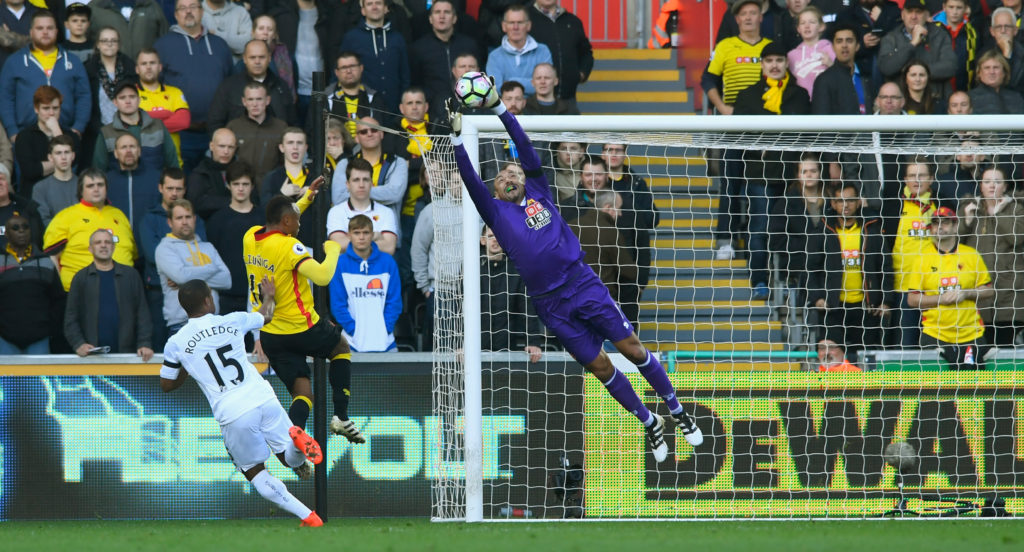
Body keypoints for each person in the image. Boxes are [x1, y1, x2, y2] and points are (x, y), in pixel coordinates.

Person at [447, 80, 704, 463]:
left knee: (630, 348)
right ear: (496, 192)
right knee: (600, 367)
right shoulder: (495, 214)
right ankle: (649, 420)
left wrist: (500, 107)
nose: (509, 178)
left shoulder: (539, 191)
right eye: (501, 178)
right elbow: (470, 178)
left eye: (513, 173)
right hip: (551, 304)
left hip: (582, 282)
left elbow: (525, 147)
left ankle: (677, 409)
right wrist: (455, 140)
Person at [159, 278, 325, 527]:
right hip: (262, 396)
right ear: (207, 300)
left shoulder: (177, 343)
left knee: (254, 470)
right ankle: (296, 439)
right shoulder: (232, 320)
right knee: (290, 458)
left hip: (233, 411)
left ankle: (308, 516)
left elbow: (167, 385)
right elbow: (265, 317)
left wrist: (187, 364)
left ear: (185, 307)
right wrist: (269, 296)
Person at [243, 177, 365, 444]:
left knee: (302, 391)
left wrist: (307, 198)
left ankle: (295, 435)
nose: (299, 224)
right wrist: (332, 250)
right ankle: (342, 417)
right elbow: (322, 276)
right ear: (286, 223)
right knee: (341, 348)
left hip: (271, 333)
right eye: (296, 221)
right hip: (303, 326)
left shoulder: (250, 237)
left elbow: (286, 214)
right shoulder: (289, 246)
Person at [731, 40, 810, 299]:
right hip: (760, 173)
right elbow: (739, 134)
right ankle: (760, 281)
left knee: (792, 228)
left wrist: (769, 140)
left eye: (779, 60)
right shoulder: (748, 96)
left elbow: (803, 133)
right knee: (760, 228)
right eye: (769, 61)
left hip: (791, 173)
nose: (774, 65)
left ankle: (790, 281)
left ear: (787, 63)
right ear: (762, 65)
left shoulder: (799, 95)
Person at [807, 182, 893, 361]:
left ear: (859, 202)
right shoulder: (824, 231)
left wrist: (885, 301)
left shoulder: (871, 230)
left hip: (866, 308)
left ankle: (866, 390)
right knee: (832, 358)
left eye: (850, 200)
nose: (845, 205)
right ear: (833, 204)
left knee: (866, 359)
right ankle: (831, 389)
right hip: (834, 308)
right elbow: (811, 268)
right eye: (840, 200)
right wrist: (817, 298)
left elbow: (885, 267)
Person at [906, 206, 994, 369]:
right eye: (935, 223)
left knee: (973, 388)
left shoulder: (971, 254)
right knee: (937, 389)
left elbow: (988, 289)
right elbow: (912, 299)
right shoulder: (921, 259)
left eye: (945, 223)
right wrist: (941, 299)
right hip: (934, 334)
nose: (939, 227)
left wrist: (966, 293)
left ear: (955, 226)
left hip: (971, 333)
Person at [154, 0, 233, 173]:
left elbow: (230, 86)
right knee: (181, 185)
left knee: (214, 187)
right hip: (180, 133)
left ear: (202, 11)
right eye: (182, 8)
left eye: (193, 7)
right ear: (175, 15)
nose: (188, 12)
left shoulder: (220, 45)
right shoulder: (162, 46)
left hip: (215, 132)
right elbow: (154, 87)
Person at [957, 165, 1024, 347]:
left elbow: (1017, 237)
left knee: (1004, 348)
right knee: (978, 349)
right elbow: (953, 243)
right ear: (980, 185)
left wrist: (997, 214)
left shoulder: (1017, 208)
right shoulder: (969, 208)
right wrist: (966, 221)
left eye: (997, 182)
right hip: (976, 291)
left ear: (1005, 186)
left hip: (1009, 292)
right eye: (987, 181)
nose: (992, 186)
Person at [139, 168, 204, 350]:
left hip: (190, 293)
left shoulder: (194, 221)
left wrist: (181, 275)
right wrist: (178, 272)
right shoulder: (149, 219)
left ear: (185, 190)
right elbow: (152, 255)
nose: (174, 193)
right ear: (161, 188)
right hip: (157, 292)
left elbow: (203, 256)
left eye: (179, 189)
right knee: (161, 346)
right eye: (170, 188)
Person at [64, 228, 153, 360]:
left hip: (128, 355)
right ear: (90, 249)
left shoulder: (131, 275)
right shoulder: (81, 277)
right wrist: (79, 344)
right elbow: (71, 318)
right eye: (98, 242)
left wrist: (145, 343)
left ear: (113, 247)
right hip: (91, 355)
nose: (103, 245)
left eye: (107, 242)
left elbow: (142, 313)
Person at [0, 11, 91, 139]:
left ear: (57, 31)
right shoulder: (15, 61)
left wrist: (78, 128)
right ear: (31, 32)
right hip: (25, 135)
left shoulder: (72, 61)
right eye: (40, 28)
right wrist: (13, 132)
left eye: (50, 28)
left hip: (66, 135)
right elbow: (5, 98)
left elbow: (84, 96)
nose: (45, 32)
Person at [43, 168, 137, 291]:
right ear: (81, 191)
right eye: (90, 186)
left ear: (106, 188)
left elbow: (132, 253)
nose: (96, 189)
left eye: (100, 185)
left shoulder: (119, 215)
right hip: (81, 291)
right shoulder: (65, 217)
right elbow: (52, 257)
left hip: (123, 289)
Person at [156, 199, 231, 333]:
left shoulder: (208, 247)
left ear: (194, 219)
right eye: (179, 218)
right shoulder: (165, 249)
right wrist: (212, 268)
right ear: (169, 222)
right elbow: (181, 277)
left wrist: (188, 279)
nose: (184, 221)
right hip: (182, 324)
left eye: (188, 217)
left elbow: (226, 280)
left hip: (213, 323)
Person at [329, 214, 402, 352]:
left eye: (366, 233)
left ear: (372, 235)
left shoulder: (388, 262)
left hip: (386, 342)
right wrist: (354, 330)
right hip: (352, 342)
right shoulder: (340, 263)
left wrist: (384, 328)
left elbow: (394, 302)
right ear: (349, 235)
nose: (361, 237)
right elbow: (338, 304)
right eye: (357, 233)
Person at [206, 160, 265, 316]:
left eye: (245, 184)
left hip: (259, 294)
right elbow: (210, 257)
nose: (240, 188)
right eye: (236, 183)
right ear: (228, 185)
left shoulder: (264, 218)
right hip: (226, 295)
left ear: (252, 186)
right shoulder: (217, 219)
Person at [330, 116, 408, 232]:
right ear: (356, 138)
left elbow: (395, 193)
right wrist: (378, 192)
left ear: (381, 134)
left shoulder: (398, 162)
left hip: (386, 234)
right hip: (351, 234)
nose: (369, 134)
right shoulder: (344, 164)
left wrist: (357, 191)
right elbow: (338, 197)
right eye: (363, 132)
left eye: (374, 130)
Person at [0, 212, 63, 354]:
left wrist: (49, 329)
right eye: (15, 228)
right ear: (6, 234)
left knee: (40, 377)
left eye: (25, 227)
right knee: (6, 377)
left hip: (39, 339)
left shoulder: (46, 262)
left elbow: (58, 300)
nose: (21, 230)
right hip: (4, 339)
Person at [480, 225, 544, 360]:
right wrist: (461, 343)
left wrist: (533, 342)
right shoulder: (471, 268)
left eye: (499, 236)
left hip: (506, 347)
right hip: (475, 347)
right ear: (483, 241)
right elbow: (460, 309)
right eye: (491, 236)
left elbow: (527, 307)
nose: (495, 240)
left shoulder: (516, 270)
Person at [410, 0, 482, 120]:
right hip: (432, 111)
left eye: (447, 12)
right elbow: (416, 82)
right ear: (430, 19)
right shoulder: (418, 48)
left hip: (468, 108)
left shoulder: (469, 45)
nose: (442, 16)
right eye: (437, 12)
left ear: (454, 18)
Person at [207, 39, 297, 131]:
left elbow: (292, 123)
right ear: (244, 59)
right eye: (252, 57)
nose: (257, 62)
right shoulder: (228, 86)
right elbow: (215, 123)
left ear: (269, 58)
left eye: (262, 57)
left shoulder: (281, 86)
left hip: (275, 143)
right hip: (238, 144)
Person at [93, 79, 179, 171]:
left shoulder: (158, 126)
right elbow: (98, 172)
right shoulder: (106, 132)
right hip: (120, 185)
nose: (128, 101)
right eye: (122, 98)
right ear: (115, 102)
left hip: (154, 184)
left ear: (139, 99)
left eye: (132, 97)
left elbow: (173, 164)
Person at [338, 0, 410, 112]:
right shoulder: (351, 38)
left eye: (378, 3)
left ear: (386, 9)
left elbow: (405, 74)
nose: (374, 7)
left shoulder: (397, 38)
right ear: (363, 10)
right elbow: (341, 72)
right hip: (364, 108)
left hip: (395, 107)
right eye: (369, 4)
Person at [702, 0, 770, 116]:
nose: (748, 18)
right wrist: (722, 108)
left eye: (753, 13)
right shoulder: (724, 46)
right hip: (734, 113)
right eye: (743, 14)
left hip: (766, 112)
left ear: (760, 17)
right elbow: (708, 79)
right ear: (737, 19)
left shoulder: (771, 47)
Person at [13, 85, 81, 198]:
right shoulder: (25, 136)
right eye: (46, 108)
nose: (51, 113)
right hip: (34, 198)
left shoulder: (71, 135)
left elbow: (72, 163)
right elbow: (30, 171)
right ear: (36, 109)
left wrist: (57, 132)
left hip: (65, 195)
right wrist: (62, 163)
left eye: (55, 108)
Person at [877, 0, 956, 96]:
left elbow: (950, 67)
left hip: (935, 98)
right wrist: (912, 43)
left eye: (918, 12)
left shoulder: (940, 35)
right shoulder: (890, 38)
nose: (913, 16)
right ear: (902, 15)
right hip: (902, 101)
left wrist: (916, 71)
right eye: (909, 11)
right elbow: (886, 67)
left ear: (927, 15)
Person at [82, 26, 136, 160]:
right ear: (98, 45)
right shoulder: (88, 69)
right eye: (105, 41)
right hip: (97, 132)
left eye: (113, 40)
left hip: (127, 131)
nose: (109, 44)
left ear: (119, 44)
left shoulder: (130, 68)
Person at [326, 157, 398, 254]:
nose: (361, 185)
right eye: (356, 180)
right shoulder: (336, 212)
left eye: (365, 179)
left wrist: (351, 238)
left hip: (377, 268)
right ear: (347, 184)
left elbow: (389, 248)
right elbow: (339, 245)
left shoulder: (386, 212)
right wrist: (375, 237)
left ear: (372, 184)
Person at [527, 0, 592, 102]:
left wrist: (580, 74)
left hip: (568, 98)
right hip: (534, 103)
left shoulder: (573, 21)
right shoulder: (525, 20)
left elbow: (586, 53)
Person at [135, 48, 191, 164]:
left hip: (173, 164)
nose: (149, 67)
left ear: (160, 67)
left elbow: (183, 121)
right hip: (143, 164)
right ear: (137, 69)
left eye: (152, 63)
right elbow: (134, 124)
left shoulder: (175, 92)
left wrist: (149, 120)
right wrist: (167, 114)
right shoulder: (130, 94)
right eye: (144, 64)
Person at [485, 5, 552, 96]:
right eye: (511, 23)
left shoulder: (542, 51)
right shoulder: (494, 56)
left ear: (528, 25)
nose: (515, 27)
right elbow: (496, 91)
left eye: (520, 22)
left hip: (537, 108)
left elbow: (546, 86)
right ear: (504, 26)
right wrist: (532, 83)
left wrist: (511, 81)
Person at [227, 82, 287, 184]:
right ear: (244, 101)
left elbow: (286, 162)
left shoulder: (281, 127)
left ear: (267, 100)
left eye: (259, 99)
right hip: (241, 187)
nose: (255, 104)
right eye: (250, 99)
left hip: (271, 186)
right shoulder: (233, 127)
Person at [321, 50, 388, 141]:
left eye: (352, 66)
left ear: (361, 68)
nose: (349, 71)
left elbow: (383, 132)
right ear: (336, 72)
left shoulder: (374, 98)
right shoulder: (323, 98)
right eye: (344, 67)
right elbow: (315, 132)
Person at [812, 22, 873, 114]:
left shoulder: (866, 76)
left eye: (849, 41)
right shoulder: (824, 80)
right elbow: (821, 120)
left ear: (857, 46)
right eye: (839, 41)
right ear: (833, 47)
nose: (844, 45)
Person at [105, 132, 163, 227]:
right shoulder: (106, 181)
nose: (128, 151)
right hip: (118, 239)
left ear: (139, 151)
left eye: (132, 146)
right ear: (115, 153)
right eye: (123, 147)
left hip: (148, 238)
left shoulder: (156, 178)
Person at [185, 128, 237, 221]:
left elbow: (253, 200)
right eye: (222, 146)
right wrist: (233, 201)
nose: (226, 151)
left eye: (230, 147)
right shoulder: (200, 173)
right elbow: (195, 204)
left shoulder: (242, 172)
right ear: (211, 146)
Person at [88, 0, 168, 59]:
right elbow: (82, 43)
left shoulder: (150, 6)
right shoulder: (95, 8)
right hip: (109, 76)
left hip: (147, 75)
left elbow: (166, 42)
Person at [787, 6, 834, 98]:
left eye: (812, 22)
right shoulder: (791, 55)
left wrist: (831, 64)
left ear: (821, 26)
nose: (807, 26)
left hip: (826, 102)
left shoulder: (831, 49)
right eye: (803, 23)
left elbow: (841, 77)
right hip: (801, 104)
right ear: (798, 29)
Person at [31, 135, 78, 225]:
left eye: (67, 152)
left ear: (73, 155)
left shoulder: (84, 185)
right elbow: (43, 221)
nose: (63, 157)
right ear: (50, 158)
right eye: (58, 153)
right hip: (54, 237)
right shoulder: (40, 188)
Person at [251, 14, 297, 103]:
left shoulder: (287, 57)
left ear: (275, 35)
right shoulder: (245, 60)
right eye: (261, 28)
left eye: (270, 29)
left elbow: (295, 81)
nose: (265, 32)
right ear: (253, 33)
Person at [933, 0, 977, 92]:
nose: (955, 12)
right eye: (951, 7)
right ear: (944, 7)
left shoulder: (972, 32)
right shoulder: (933, 30)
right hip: (938, 87)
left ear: (965, 8)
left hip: (965, 87)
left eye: (959, 8)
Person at [0, 164, 43, 252]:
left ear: (8, 183)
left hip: (25, 262)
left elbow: (38, 242)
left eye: (1, 179)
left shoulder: (27, 210)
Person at [969, 49, 1024, 114]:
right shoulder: (969, 98)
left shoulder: (1016, 98)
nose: (992, 72)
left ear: (1004, 73)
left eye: (996, 67)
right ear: (979, 73)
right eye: (987, 68)